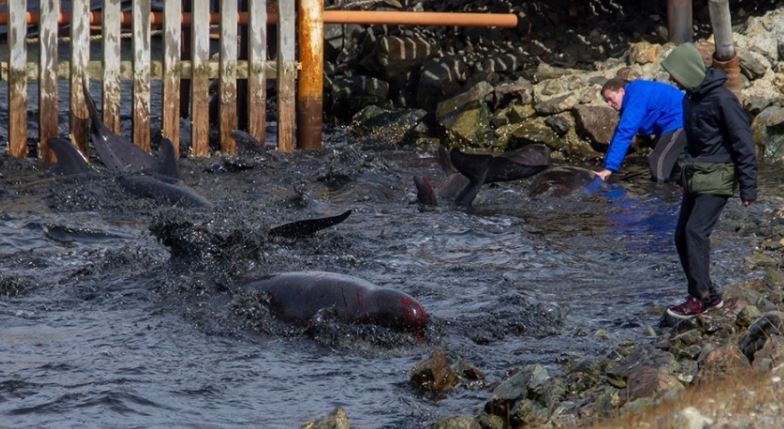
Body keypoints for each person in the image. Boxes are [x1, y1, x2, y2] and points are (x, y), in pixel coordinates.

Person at [661, 42, 757, 319]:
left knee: (695, 233)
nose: (673, 80)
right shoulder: (689, 98)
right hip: (696, 175)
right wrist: (681, 176)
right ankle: (709, 294)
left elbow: (744, 144)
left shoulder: (723, 99)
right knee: (681, 236)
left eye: (675, 75)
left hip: (719, 176)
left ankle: (699, 298)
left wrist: (748, 187)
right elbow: (693, 142)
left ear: (689, 71)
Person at [595, 78, 686, 182]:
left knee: (657, 160)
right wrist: (606, 166)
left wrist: (609, 169)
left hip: (682, 120)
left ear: (621, 91)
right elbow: (619, 132)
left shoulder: (636, 96)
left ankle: (662, 195)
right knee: (664, 157)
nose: (610, 104)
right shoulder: (633, 94)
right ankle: (682, 186)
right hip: (674, 121)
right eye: (607, 101)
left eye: (611, 99)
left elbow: (625, 132)